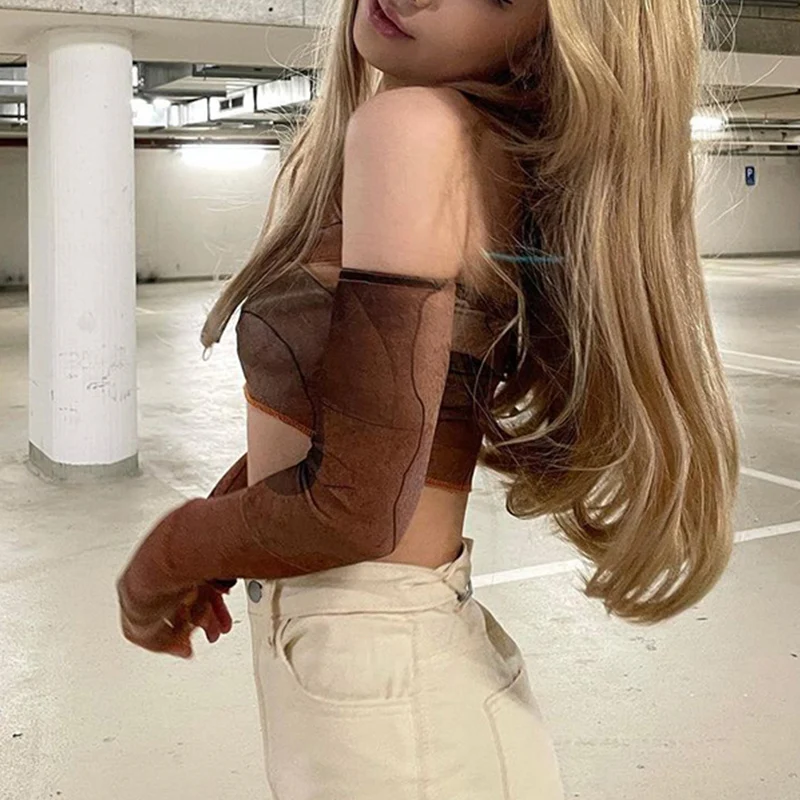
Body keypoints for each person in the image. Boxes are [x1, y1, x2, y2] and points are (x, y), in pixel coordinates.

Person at [116, 0, 739, 797]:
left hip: (386, 701)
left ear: (548, 43)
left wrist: (165, 558)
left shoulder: (414, 130)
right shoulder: (475, 145)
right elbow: (345, 424)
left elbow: (357, 508)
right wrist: (230, 529)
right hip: (387, 674)